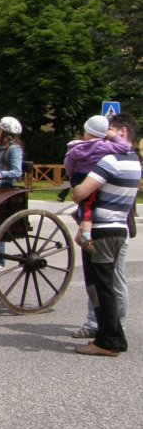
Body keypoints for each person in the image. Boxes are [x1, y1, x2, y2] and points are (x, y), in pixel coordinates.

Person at [70, 113, 140, 357]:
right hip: (119, 229)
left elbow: (80, 193)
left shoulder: (110, 161)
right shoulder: (134, 160)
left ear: (122, 132)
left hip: (101, 232)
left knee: (99, 288)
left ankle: (106, 342)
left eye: (110, 129)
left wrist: (75, 187)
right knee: (107, 286)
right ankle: (117, 337)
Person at [63, 115, 130, 253]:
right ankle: (85, 236)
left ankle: (81, 225)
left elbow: (68, 162)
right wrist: (113, 136)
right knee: (89, 205)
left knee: (85, 204)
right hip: (92, 177)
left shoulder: (76, 146)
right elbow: (125, 147)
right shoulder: (104, 146)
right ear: (104, 133)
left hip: (77, 176)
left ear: (86, 131)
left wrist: (72, 175)